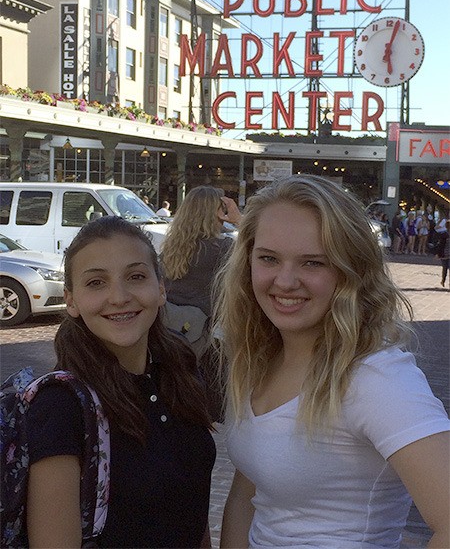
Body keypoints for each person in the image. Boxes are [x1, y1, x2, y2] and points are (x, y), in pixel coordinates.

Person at [213, 175, 450, 549]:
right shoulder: (260, 357)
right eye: (269, 258)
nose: (285, 281)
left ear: (350, 270)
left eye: (313, 262)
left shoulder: (376, 378)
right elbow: (248, 495)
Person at [25, 216, 216, 548]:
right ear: (71, 300)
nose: (119, 296)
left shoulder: (180, 373)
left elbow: (193, 509)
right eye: (96, 283)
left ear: (160, 288)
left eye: (136, 276)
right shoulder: (61, 405)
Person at [161, 186, 241, 318]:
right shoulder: (222, 248)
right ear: (216, 213)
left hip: (171, 323)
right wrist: (239, 220)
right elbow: (263, 251)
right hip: (204, 328)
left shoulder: (172, 246)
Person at [436, 219, 450, 289]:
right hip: (445, 254)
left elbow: (440, 245)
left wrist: (438, 254)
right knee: (445, 269)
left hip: (444, 254)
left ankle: (443, 280)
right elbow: (441, 245)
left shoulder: (443, 234)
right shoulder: (444, 235)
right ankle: (443, 280)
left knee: (445, 269)